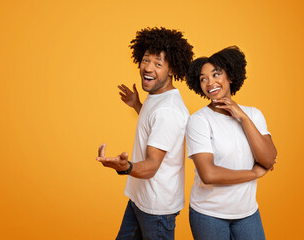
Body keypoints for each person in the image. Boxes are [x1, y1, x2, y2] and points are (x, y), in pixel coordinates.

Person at [96, 27, 194, 239]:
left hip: (155, 208)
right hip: (140, 197)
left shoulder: (168, 111)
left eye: (158, 63)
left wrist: (125, 167)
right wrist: (137, 105)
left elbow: (151, 167)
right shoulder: (159, 97)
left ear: (171, 70)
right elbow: (154, 126)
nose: (148, 68)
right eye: (146, 60)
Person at [185, 46, 277, 240]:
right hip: (209, 214)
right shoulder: (199, 121)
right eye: (203, 79)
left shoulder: (253, 115)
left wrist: (242, 117)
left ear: (231, 77)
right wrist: (253, 173)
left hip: (248, 213)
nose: (210, 83)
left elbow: (268, 159)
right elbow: (208, 174)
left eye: (216, 74)